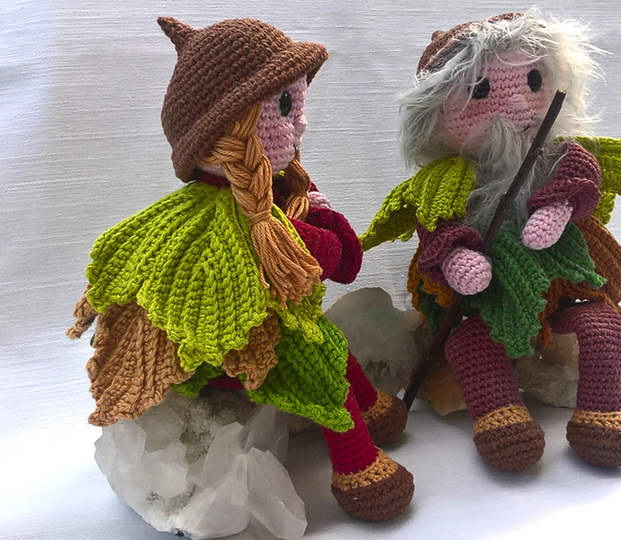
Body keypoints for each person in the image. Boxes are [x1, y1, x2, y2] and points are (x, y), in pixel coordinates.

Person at [67, 17, 412, 521]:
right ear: (225, 129)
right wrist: (320, 219)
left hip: (258, 332)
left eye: (298, 104)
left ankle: (374, 406)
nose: (301, 124)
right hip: (235, 354)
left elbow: (341, 262)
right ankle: (357, 465)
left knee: (324, 341)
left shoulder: (274, 200)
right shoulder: (254, 224)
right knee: (318, 359)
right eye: (286, 107)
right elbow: (340, 262)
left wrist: (310, 206)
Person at [362, 11, 621, 471]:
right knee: (469, 343)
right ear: (436, 117)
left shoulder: (559, 154)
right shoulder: (445, 179)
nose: (519, 103)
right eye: (481, 91)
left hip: (562, 285)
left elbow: (582, 176)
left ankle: (603, 412)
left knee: (605, 327)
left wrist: (558, 207)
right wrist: (456, 257)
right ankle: (500, 418)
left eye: (534, 80)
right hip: (492, 298)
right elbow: (435, 223)